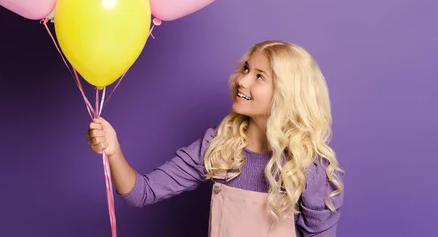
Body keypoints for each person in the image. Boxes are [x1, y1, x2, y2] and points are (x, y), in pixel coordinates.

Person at [87, 41, 344, 236]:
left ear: (286, 94)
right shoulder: (218, 147)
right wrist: (113, 150)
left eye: (259, 76)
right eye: (245, 69)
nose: (242, 80)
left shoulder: (309, 166)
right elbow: (141, 193)